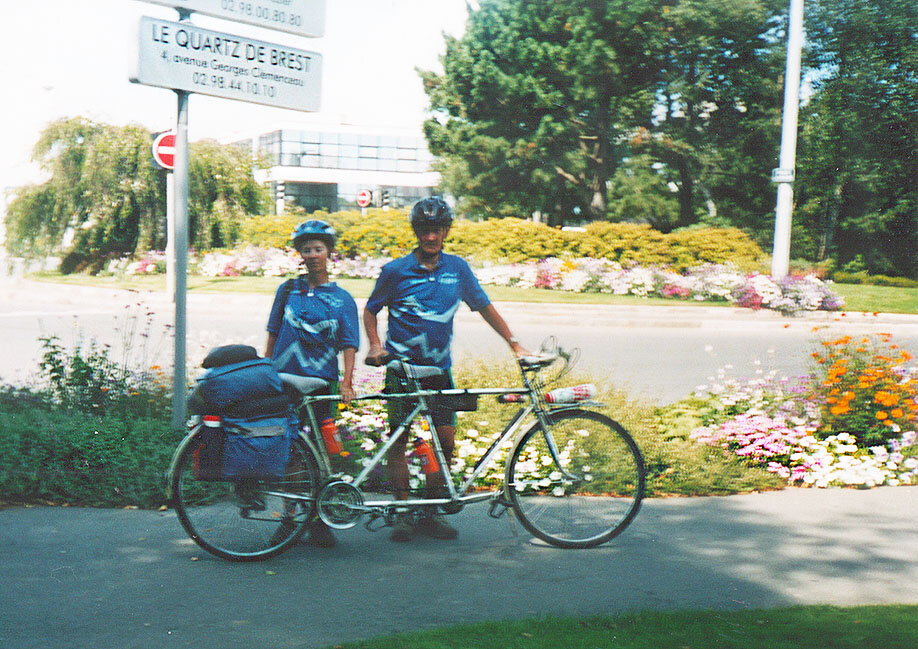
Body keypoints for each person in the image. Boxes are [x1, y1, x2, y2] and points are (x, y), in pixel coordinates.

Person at [363, 197, 530, 542]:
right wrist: (376, 346)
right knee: (399, 442)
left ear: (446, 231)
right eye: (425, 229)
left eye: (437, 229)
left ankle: (429, 510)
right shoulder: (395, 271)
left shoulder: (458, 269)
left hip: (439, 371)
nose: (431, 236)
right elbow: (370, 310)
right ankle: (403, 513)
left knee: (446, 441)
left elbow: (485, 307)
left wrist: (514, 343)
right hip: (401, 371)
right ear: (416, 231)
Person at [266, 219, 359, 548]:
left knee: (323, 453)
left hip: (321, 384)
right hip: (285, 381)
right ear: (300, 254)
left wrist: (347, 381)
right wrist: (266, 368)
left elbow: (349, 342)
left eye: (318, 248)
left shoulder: (342, 298)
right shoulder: (288, 289)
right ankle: (290, 518)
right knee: (290, 452)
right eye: (307, 249)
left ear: (329, 253)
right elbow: (274, 331)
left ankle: (319, 518)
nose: (313, 254)